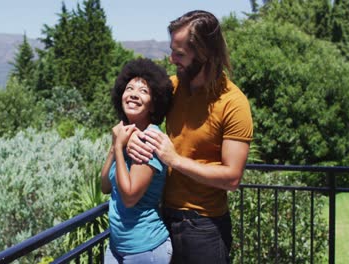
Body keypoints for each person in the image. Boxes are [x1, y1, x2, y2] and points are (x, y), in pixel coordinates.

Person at [127, 10, 253, 263]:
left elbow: (232, 178)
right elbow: (138, 115)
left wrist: (174, 160)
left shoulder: (233, 103)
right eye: (172, 50)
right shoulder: (172, 88)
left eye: (180, 53)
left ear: (205, 53)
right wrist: (128, 136)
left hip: (205, 228)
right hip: (162, 222)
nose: (172, 59)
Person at [100, 58, 173, 264]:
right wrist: (117, 146)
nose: (133, 94)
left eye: (143, 91)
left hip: (145, 249)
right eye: (129, 88)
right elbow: (105, 186)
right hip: (116, 247)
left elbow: (130, 197)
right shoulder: (124, 135)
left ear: (154, 104)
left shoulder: (149, 139)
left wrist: (118, 145)